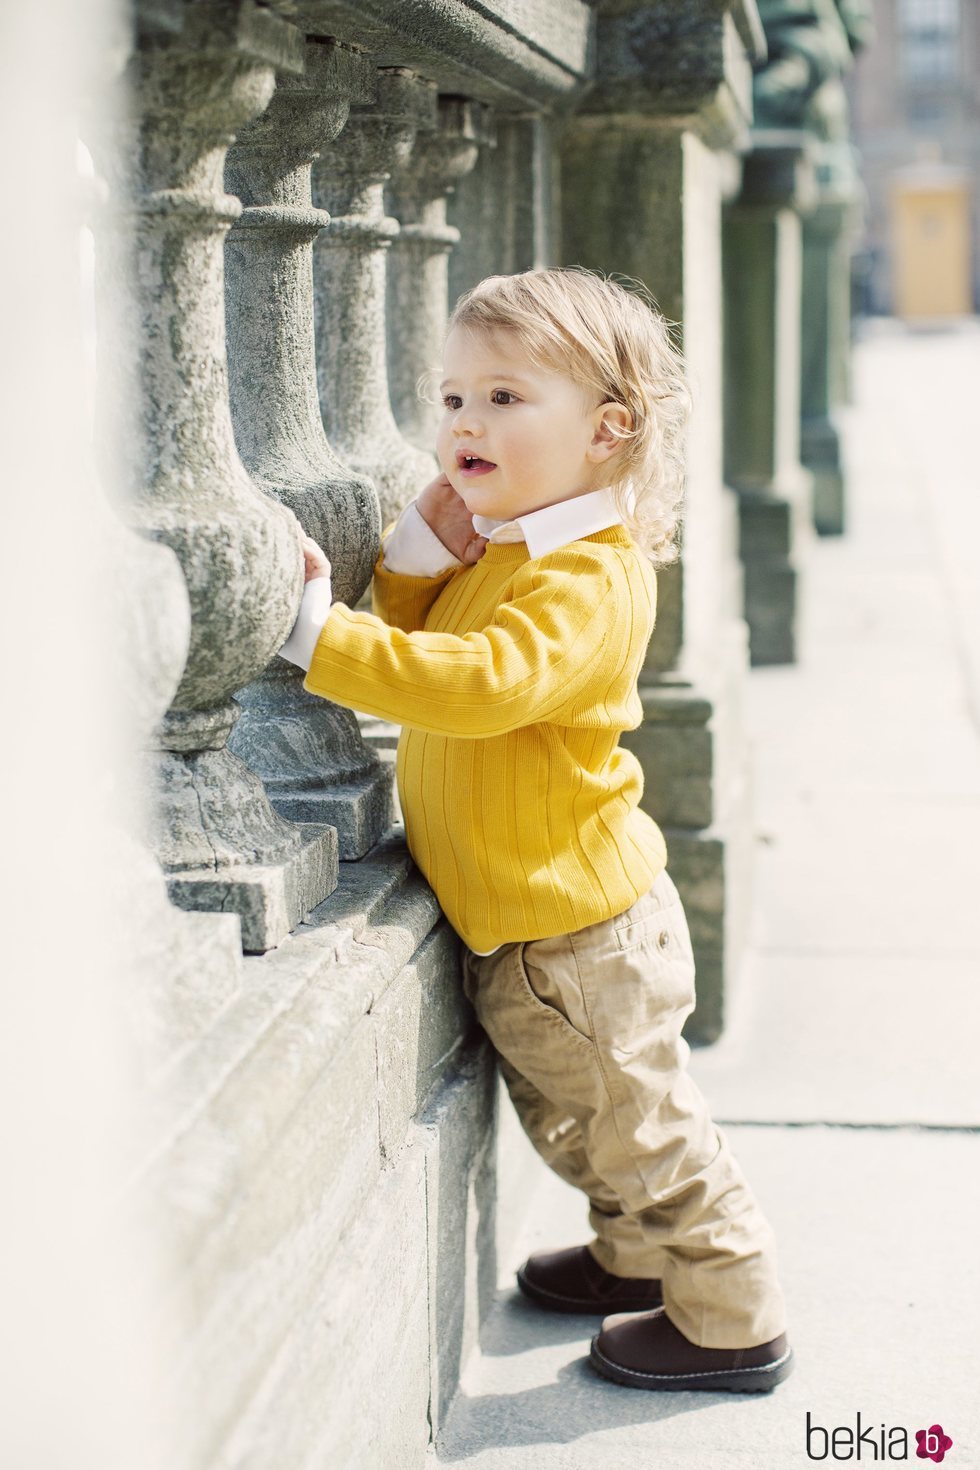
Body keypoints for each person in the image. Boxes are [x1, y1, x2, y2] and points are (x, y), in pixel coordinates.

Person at [281, 267, 793, 1393]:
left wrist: (314, 638)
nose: (465, 421)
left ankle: (730, 1312)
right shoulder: (516, 549)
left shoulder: (585, 578)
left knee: (641, 1130)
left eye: (505, 399)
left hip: (579, 933)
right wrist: (419, 548)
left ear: (607, 431)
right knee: (591, 1122)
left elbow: (474, 683)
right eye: (454, 396)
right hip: (540, 922)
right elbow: (436, 625)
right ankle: (631, 1259)